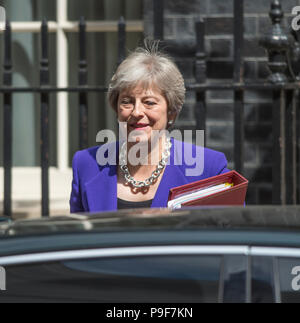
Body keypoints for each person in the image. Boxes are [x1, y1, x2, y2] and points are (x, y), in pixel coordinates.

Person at [70, 41, 230, 213]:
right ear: (116, 108)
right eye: (127, 102)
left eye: (149, 102)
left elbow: (228, 235)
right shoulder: (86, 165)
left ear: (171, 112)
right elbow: (77, 237)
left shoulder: (209, 169)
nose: (137, 111)